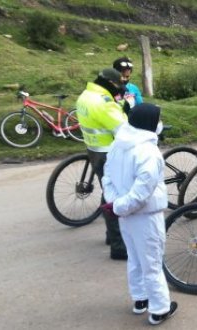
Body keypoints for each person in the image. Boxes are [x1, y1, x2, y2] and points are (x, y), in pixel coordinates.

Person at [101, 103, 178, 325]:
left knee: (135, 259)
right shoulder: (149, 153)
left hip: (125, 215)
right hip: (146, 216)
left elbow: (107, 176)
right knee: (152, 262)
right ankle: (160, 309)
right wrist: (120, 206)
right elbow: (141, 193)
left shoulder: (118, 144)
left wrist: (115, 203)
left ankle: (140, 299)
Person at [75, 68, 128, 260]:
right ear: (111, 84)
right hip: (109, 153)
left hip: (93, 149)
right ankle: (118, 245)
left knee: (107, 190)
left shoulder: (86, 95)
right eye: (119, 85)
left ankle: (110, 234)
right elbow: (125, 130)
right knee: (113, 197)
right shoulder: (105, 103)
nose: (121, 88)